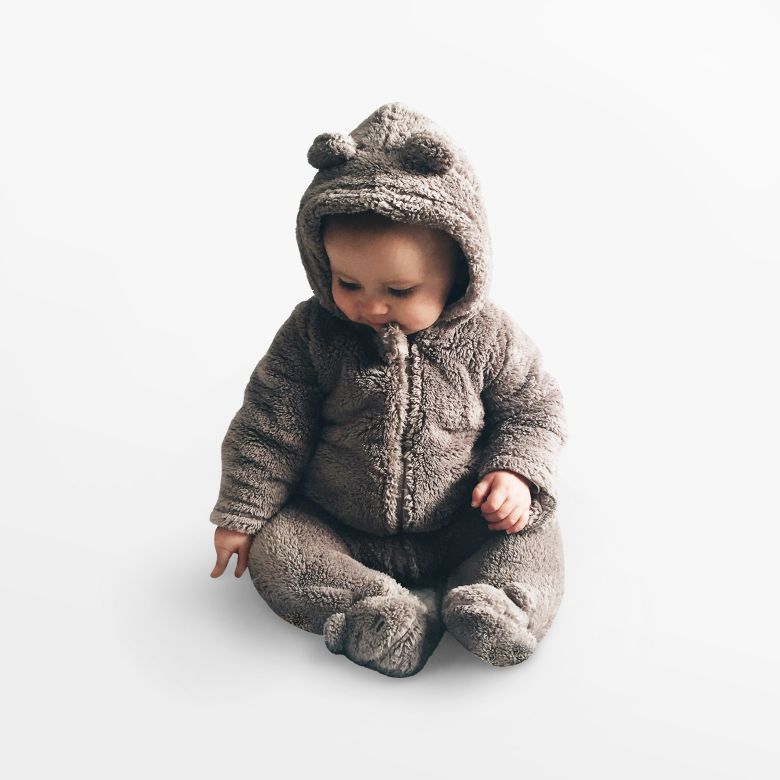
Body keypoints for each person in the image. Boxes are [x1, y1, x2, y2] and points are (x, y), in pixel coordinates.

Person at [209, 102, 568, 677]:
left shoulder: (489, 337)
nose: (371, 307)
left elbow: (534, 409)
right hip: (339, 521)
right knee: (280, 551)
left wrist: (516, 473)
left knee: (532, 532)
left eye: (400, 291)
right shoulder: (312, 334)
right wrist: (242, 511)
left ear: (461, 271)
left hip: (460, 517)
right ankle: (376, 614)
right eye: (347, 282)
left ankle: (500, 604)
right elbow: (269, 424)